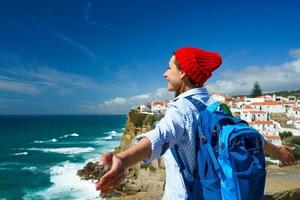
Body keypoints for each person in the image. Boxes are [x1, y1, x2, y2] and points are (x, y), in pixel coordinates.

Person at [95, 47, 295, 199]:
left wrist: (122, 159)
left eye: (169, 67)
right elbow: (251, 136)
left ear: (183, 73)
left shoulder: (180, 108)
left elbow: (160, 136)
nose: (165, 73)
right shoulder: (217, 105)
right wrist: (277, 151)